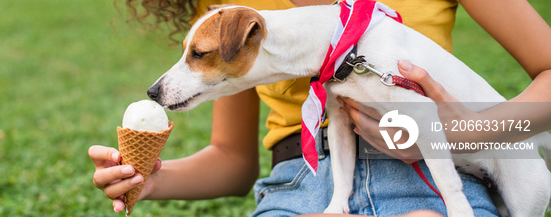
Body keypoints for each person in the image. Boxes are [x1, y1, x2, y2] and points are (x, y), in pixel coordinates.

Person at [90, 0, 551, 216]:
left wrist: (460, 133)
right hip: (303, 187)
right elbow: (232, 160)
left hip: (441, 178)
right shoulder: (227, 17)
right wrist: (155, 179)